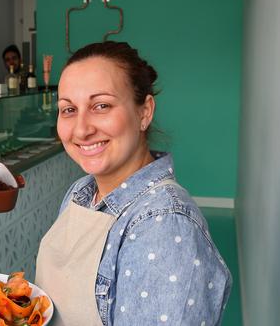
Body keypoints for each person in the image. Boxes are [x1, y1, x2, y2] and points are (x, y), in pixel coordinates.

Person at [35, 41, 231, 325]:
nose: (81, 129)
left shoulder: (164, 224)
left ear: (144, 112)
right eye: (68, 110)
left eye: (101, 105)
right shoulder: (81, 192)